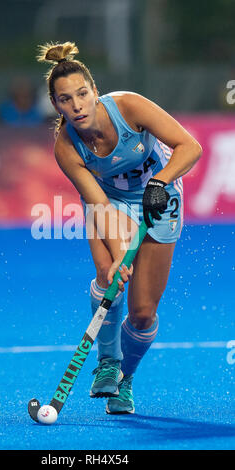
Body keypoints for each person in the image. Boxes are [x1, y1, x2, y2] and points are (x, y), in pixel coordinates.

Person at [37, 42, 202, 414]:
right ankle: (108, 362)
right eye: (66, 99)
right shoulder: (67, 148)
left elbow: (189, 147)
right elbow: (97, 203)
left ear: (95, 92)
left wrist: (160, 183)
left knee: (143, 312)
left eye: (82, 94)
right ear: (56, 105)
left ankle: (126, 380)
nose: (77, 105)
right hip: (110, 201)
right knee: (108, 275)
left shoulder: (128, 106)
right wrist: (117, 256)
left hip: (160, 195)